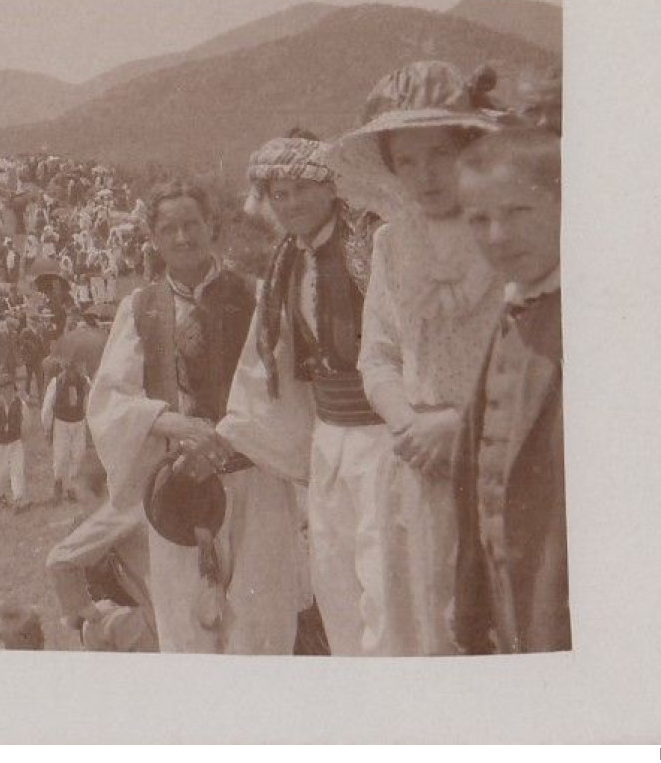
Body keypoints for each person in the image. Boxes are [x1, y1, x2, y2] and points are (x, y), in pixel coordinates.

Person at [328, 60, 504, 656]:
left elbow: (540, 354)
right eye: (407, 160)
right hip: (420, 463)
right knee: (434, 620)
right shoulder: (390, 243)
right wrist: (409, 425)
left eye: (438, 154)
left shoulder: (510, 232)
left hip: (504, 446)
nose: (424, 174)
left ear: (469, 147)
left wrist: (458, 426)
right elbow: (376, 354)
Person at [85, 180, 274, 653]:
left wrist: (228, 436)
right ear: (153, 237)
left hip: (252, 478)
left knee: (260, 624)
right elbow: (109, 396)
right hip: (179, 491)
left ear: (213, 225)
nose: (183, 238)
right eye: (169, 228)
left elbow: (278, 387)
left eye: (192, 224)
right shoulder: (140, 307)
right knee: (186, 627)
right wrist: (166, 421)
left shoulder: (257, 296)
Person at [220, 131, 378, 656]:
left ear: (329, 185)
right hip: (328, 436)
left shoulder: (369, 241)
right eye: (279, 194)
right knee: (335, 580)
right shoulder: (287, 259)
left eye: (300, 189)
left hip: (383, 435)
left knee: (383, 581)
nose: (289, 204)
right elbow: (268, 357)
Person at [451, 128, 568, 654]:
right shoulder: (514, 311)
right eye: (479, 219)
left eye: (518, 211)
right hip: (509, 591)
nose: (497, 235)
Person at [45, 466, 158, 652]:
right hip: (184, 608)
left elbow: (58, 561)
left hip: (161, 621)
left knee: (93, 629)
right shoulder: (145, 494)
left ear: (106, 488)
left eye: (85, 502)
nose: (84, 513)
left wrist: (85, 609)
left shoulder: (118, 511)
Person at [40, 359, 92, 502]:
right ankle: (58, 483)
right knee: (61, 455)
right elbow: (47, 406)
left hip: (78, 422)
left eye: (73, 368)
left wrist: (89, 394)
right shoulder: (56, 383)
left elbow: (90, 402)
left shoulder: (85, 382)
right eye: (67, 368)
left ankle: (69, 484)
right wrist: (47, 426)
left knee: (78, 454)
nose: (70, 372)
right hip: (62, 422)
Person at [0, 376, 28, 510]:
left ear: (13, 389)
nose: (7, 392)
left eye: (10, 389)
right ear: (0, 391)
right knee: (0, 470)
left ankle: (18, 499)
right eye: (4, 389)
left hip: (14, 442)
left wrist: (21, 436)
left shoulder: (20, 404)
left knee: (17, 468)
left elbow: (26, 422)